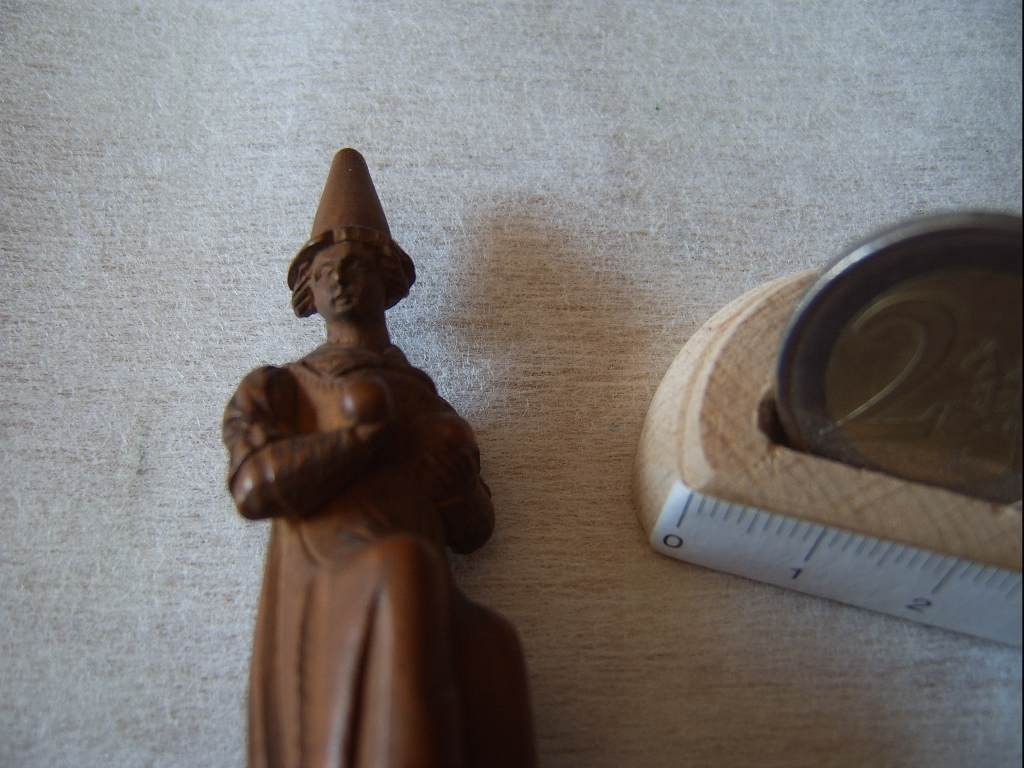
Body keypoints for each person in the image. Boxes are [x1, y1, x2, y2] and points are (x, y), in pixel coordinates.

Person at [222, 149, 536, 768]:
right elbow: (253, 488)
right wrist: (355, 442)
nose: (340, 279)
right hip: (327, 577)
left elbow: (474, 534)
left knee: (494, 642)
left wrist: (459, 491)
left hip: (419, 582)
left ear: (386, 282)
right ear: (308, 290)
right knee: (404, 565)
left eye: (356, 266)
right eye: (327, 271)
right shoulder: (281, 388)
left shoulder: (426, 400)